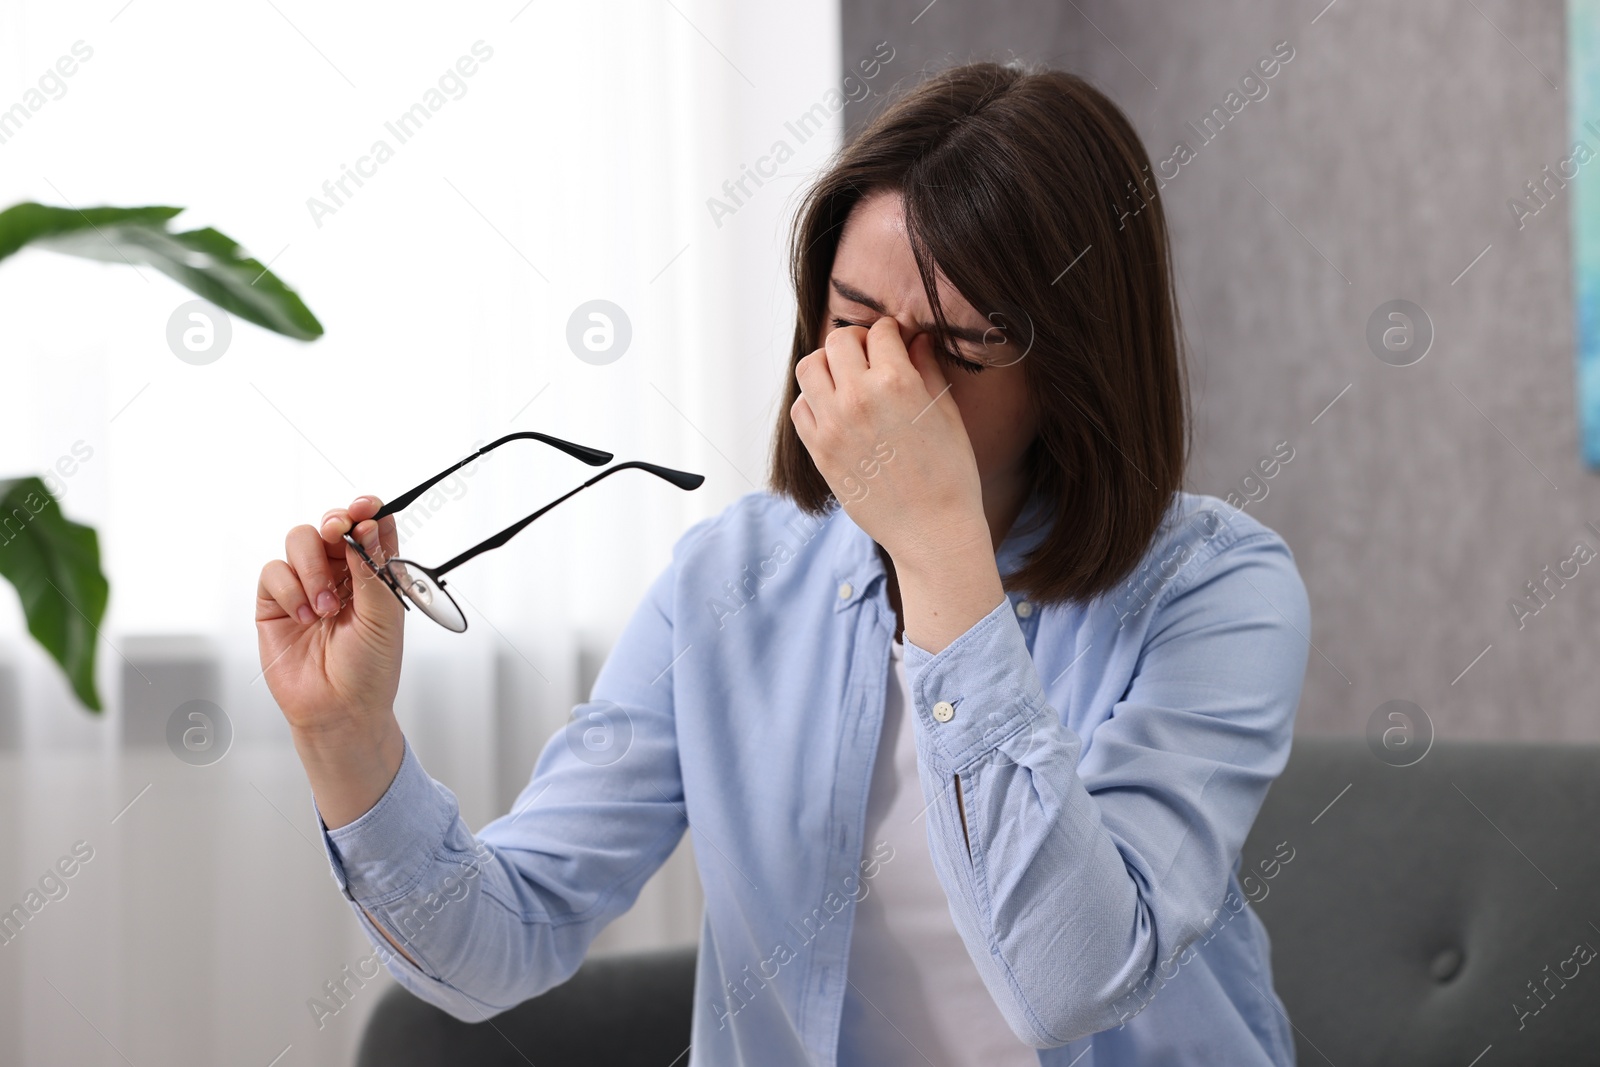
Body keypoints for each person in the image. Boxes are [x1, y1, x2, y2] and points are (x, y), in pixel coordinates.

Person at [256, 60, 1310, 1066]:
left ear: (1074, 361)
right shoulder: (730, 581)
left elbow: (1071, 979)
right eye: (851, 322)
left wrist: (937, 548)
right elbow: (499, 942)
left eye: (956, 344)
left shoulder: (1214, 590)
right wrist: (345, 737)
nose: (883, 378)